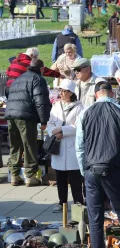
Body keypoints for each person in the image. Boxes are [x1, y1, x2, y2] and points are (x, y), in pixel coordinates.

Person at [75, 82, 120, 248]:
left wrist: (84, 170)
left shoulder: (85, 113)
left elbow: (79, 146)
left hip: (92, 170)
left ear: (96, 94)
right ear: (112, 94)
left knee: (95, 220)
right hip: (115, 169)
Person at [6, 59, 51, 187]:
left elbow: (9, 94)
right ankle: (30, 176)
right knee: (29, 145)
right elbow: (40, 100)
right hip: (26, 115)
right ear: (41, 68)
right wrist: (44, 120)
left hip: (11, 114)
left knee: (15, 145)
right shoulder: (38, 79)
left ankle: (14, 174)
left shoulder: (18, 78)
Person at [47, 80, 84, 212]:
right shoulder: (56, 106)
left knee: (75, 179)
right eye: (60, 91)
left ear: (71, 92)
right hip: (59, 147)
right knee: (60, 177)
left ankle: (78, 204)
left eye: (64, 91)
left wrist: (62, 130)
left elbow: (78, 127)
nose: (61, 93)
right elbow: (50, 123)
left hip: (72, 148)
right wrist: (54, 132)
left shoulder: (79, 107)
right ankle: (62, 203)